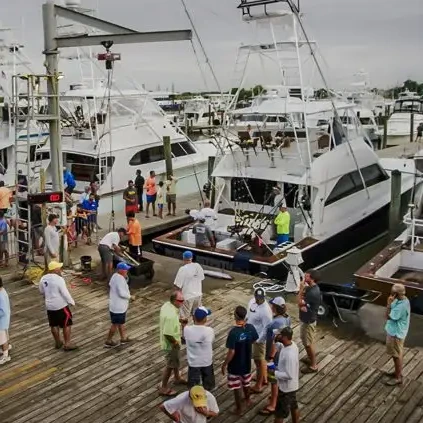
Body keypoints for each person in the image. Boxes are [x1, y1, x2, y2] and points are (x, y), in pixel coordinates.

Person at [221, 305, 259, 415]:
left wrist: (224, 364)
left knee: (236, 386)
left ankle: (239, 409)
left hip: (235, 365)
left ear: (235, 316)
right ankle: (248, 400)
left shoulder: (233, 332)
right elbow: (254, 340)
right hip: (246, 363)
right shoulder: (250, 328)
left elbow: (231, 352)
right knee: (246, 382)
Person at [259, 297, 292, 416]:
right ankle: (276, 395)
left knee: (273, 379)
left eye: (272, 305)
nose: (271, 306)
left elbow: (276, 342)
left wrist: (270, 357)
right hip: (284, 352)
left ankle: (273, 404)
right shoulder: (287, 317)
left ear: (275, 307)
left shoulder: (275, 323)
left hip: (275, 355)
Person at [38, 261, 77, 351]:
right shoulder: (59, 279)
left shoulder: (43, 278)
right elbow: (65, 293)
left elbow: (41, 290)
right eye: (59, 268)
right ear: (55, 270)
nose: (60, 269)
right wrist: (72, 302)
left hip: (49, 306)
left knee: (53, 324)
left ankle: (58, 342)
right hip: (61, 305)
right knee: (67, 324)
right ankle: (67, 344)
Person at [159, 291, 186, 396]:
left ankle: (177, 377)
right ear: (174, 301)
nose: (183, 302)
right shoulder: (171, 316)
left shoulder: (167, 305)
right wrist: (175, 343)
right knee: (170, 365)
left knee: (175, 361)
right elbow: (167, 333)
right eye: (181, 301)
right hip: (171, 345)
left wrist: (179, 320)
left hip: (168, 341)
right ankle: (163, 387)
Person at [247, 287, 273, 394]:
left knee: (259, 361)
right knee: (257, 360)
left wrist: (259, 340)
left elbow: (267, 328)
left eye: (261, 297)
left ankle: (258, 385)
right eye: (257, 297)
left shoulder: (266, 311)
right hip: (250, 335)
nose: (259, 299)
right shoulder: (251, 302)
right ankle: (264, 378)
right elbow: (248, 316)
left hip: (258, 339)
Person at [174, 251, 205, 337]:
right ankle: (197, 332)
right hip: (198, 294)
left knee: (184, 317)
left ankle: (184, 336)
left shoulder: (183, 269)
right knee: (196, 315)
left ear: (183, 258)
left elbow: (177, 285)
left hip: (187, 296)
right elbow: (202, 278)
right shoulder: (198, 266)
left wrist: (176, 295)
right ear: (191, 258)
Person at [385, 283, 410, 386]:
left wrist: (388, 304)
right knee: (397, 353)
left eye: (392, 292)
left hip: (396, 334)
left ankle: (398, 377)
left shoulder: (401, 307)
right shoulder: (404, 299)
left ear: (395, 294)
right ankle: (397, 372)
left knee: (396, 355)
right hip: (398, 331)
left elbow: (388, 316)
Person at [184, 306, 215, 390]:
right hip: (206, 362)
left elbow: (184, 333)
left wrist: (184, 324)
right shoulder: (210, 331)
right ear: (205, 319)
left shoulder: (187, 330)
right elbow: (211, 340)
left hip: (193, 363)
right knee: (208, 387)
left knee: (193, 388)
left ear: (193, 318)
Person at [273, 326, 300, 423]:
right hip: (292, 386)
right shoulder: (292, 345)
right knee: (293, 405)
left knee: (279, 413)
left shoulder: (289, 355)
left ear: (284, 337)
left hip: (286, 389)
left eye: (279, 335)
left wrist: (274, 373)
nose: (277, 336)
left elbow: (289, 375)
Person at [105, 262, 133, 347]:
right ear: (120, 270)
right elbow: (121, 293)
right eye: (125, 270)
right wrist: (130, 297)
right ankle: (108, 340)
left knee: (121, 323)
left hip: (115, 305)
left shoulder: (114, 276)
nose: (127, 271)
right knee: (115, 324)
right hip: (118, 307)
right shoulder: (120, 279)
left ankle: (123, 338)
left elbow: (111, 284)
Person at [298, 269, 321, 374]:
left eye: (306, 276)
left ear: (312, 279)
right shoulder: (310, 288)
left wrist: (300, 289)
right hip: (305, 318)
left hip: (308, 321)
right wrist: (303, 289)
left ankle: (313, 366)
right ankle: (310, 358)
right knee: (305, 341)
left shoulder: (312, 293)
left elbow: (299, 302)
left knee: (308, 343)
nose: (304, 277)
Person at [0, 277, 11, 365]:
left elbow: (2, 311)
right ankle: (5, 348)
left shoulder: (0, 296)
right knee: (4, 337)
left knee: (2, 339)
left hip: (1, 322)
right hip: (4, 320)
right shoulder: (2, 290)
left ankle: (5, 356)